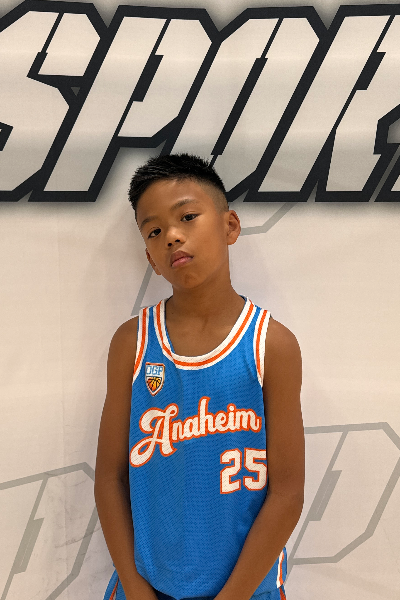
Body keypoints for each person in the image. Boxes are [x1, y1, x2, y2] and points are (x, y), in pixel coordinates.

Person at [94, 153, 304, 600]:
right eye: (154, 231)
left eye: (187, 216)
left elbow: (287, 493)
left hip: (247, 591)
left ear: (230, 226)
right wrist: (136, 590)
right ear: (150, 258)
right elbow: (110, 479)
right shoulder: (132, 343)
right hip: (146, 589)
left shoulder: (272, 345)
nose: (171, 235)